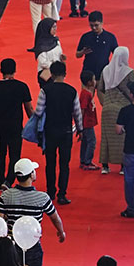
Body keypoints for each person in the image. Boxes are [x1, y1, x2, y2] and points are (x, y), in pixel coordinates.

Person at [36, 61, 83, 204]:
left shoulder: (45, 90)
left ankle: (50, 192)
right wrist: (80, 129)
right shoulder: (72, 91)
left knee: (50, 163)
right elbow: (77, 113)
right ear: (65, 74)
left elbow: (38, 111)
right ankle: (62, 194)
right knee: (64, 164)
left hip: (50, 131)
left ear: (51, 74)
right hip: (66, 131)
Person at [0, 59, 33, 189]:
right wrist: (35, 124)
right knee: (15, 155)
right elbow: (29, 108)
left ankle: (1, 180)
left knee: (0, 154)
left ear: (1, 70)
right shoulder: (22, 86)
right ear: (15, 70)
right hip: (15, 126)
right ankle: (9, 180)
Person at [99, 46, 134, 174]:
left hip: (107, 107)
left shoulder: (105, 70)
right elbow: (133, 90)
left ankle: (105, 166)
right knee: (122, 138)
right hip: (123, 107)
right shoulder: (128, 72)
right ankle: (122, 167)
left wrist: (105, 102)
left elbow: (100, 88)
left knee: (106, 138)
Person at [116, 80, 134, 217]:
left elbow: (118, 130)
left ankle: (131, 209)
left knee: (129, 182)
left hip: (130, 151)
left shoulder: (125, 111)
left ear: (131, 95)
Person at [75, 10, 117, 79]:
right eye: (91, 25)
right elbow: (77, 55)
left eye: (96, 25)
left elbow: (116, 54)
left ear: (102, 23)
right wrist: (82, 52)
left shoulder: (110, 37)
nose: (94, 28)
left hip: (103, 73)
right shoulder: (85, 37)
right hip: (87, 73)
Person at [33, 18, 64, 87]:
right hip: (46, 75)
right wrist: (55, 66)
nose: (55, 29)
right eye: (53, 27)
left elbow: (59, 53)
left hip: (57, 73)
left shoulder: (56, 40)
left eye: (56, 26)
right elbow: (43, 62)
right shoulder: (41, 45)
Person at [79, 70, 100, 171]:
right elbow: (82, 109)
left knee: (85, 141)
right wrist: (80, 124)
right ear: (89, 82)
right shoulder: (85, 94)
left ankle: (83, 160)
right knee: (92, 141)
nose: (95, 81)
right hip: (87, 123)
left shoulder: (87, 93)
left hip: (87, 122)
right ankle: (87, 161)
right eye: (94, 79)